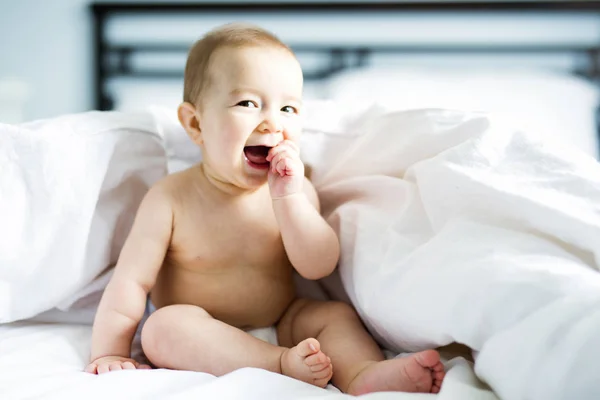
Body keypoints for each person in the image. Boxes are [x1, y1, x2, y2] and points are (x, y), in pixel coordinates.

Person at [85, 23, 445, 395]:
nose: (274, 122)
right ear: (195, 124)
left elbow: (318, 265)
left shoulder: (294, 189)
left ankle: (360, 375)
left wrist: (289, 199)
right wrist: (109, 352)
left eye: (288, 108)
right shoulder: (170, 198)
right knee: (163, 327)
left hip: (283, 324)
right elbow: (130, 282)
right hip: (201, 335)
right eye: (248, 103)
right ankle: (277, 366)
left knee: (333, 315)